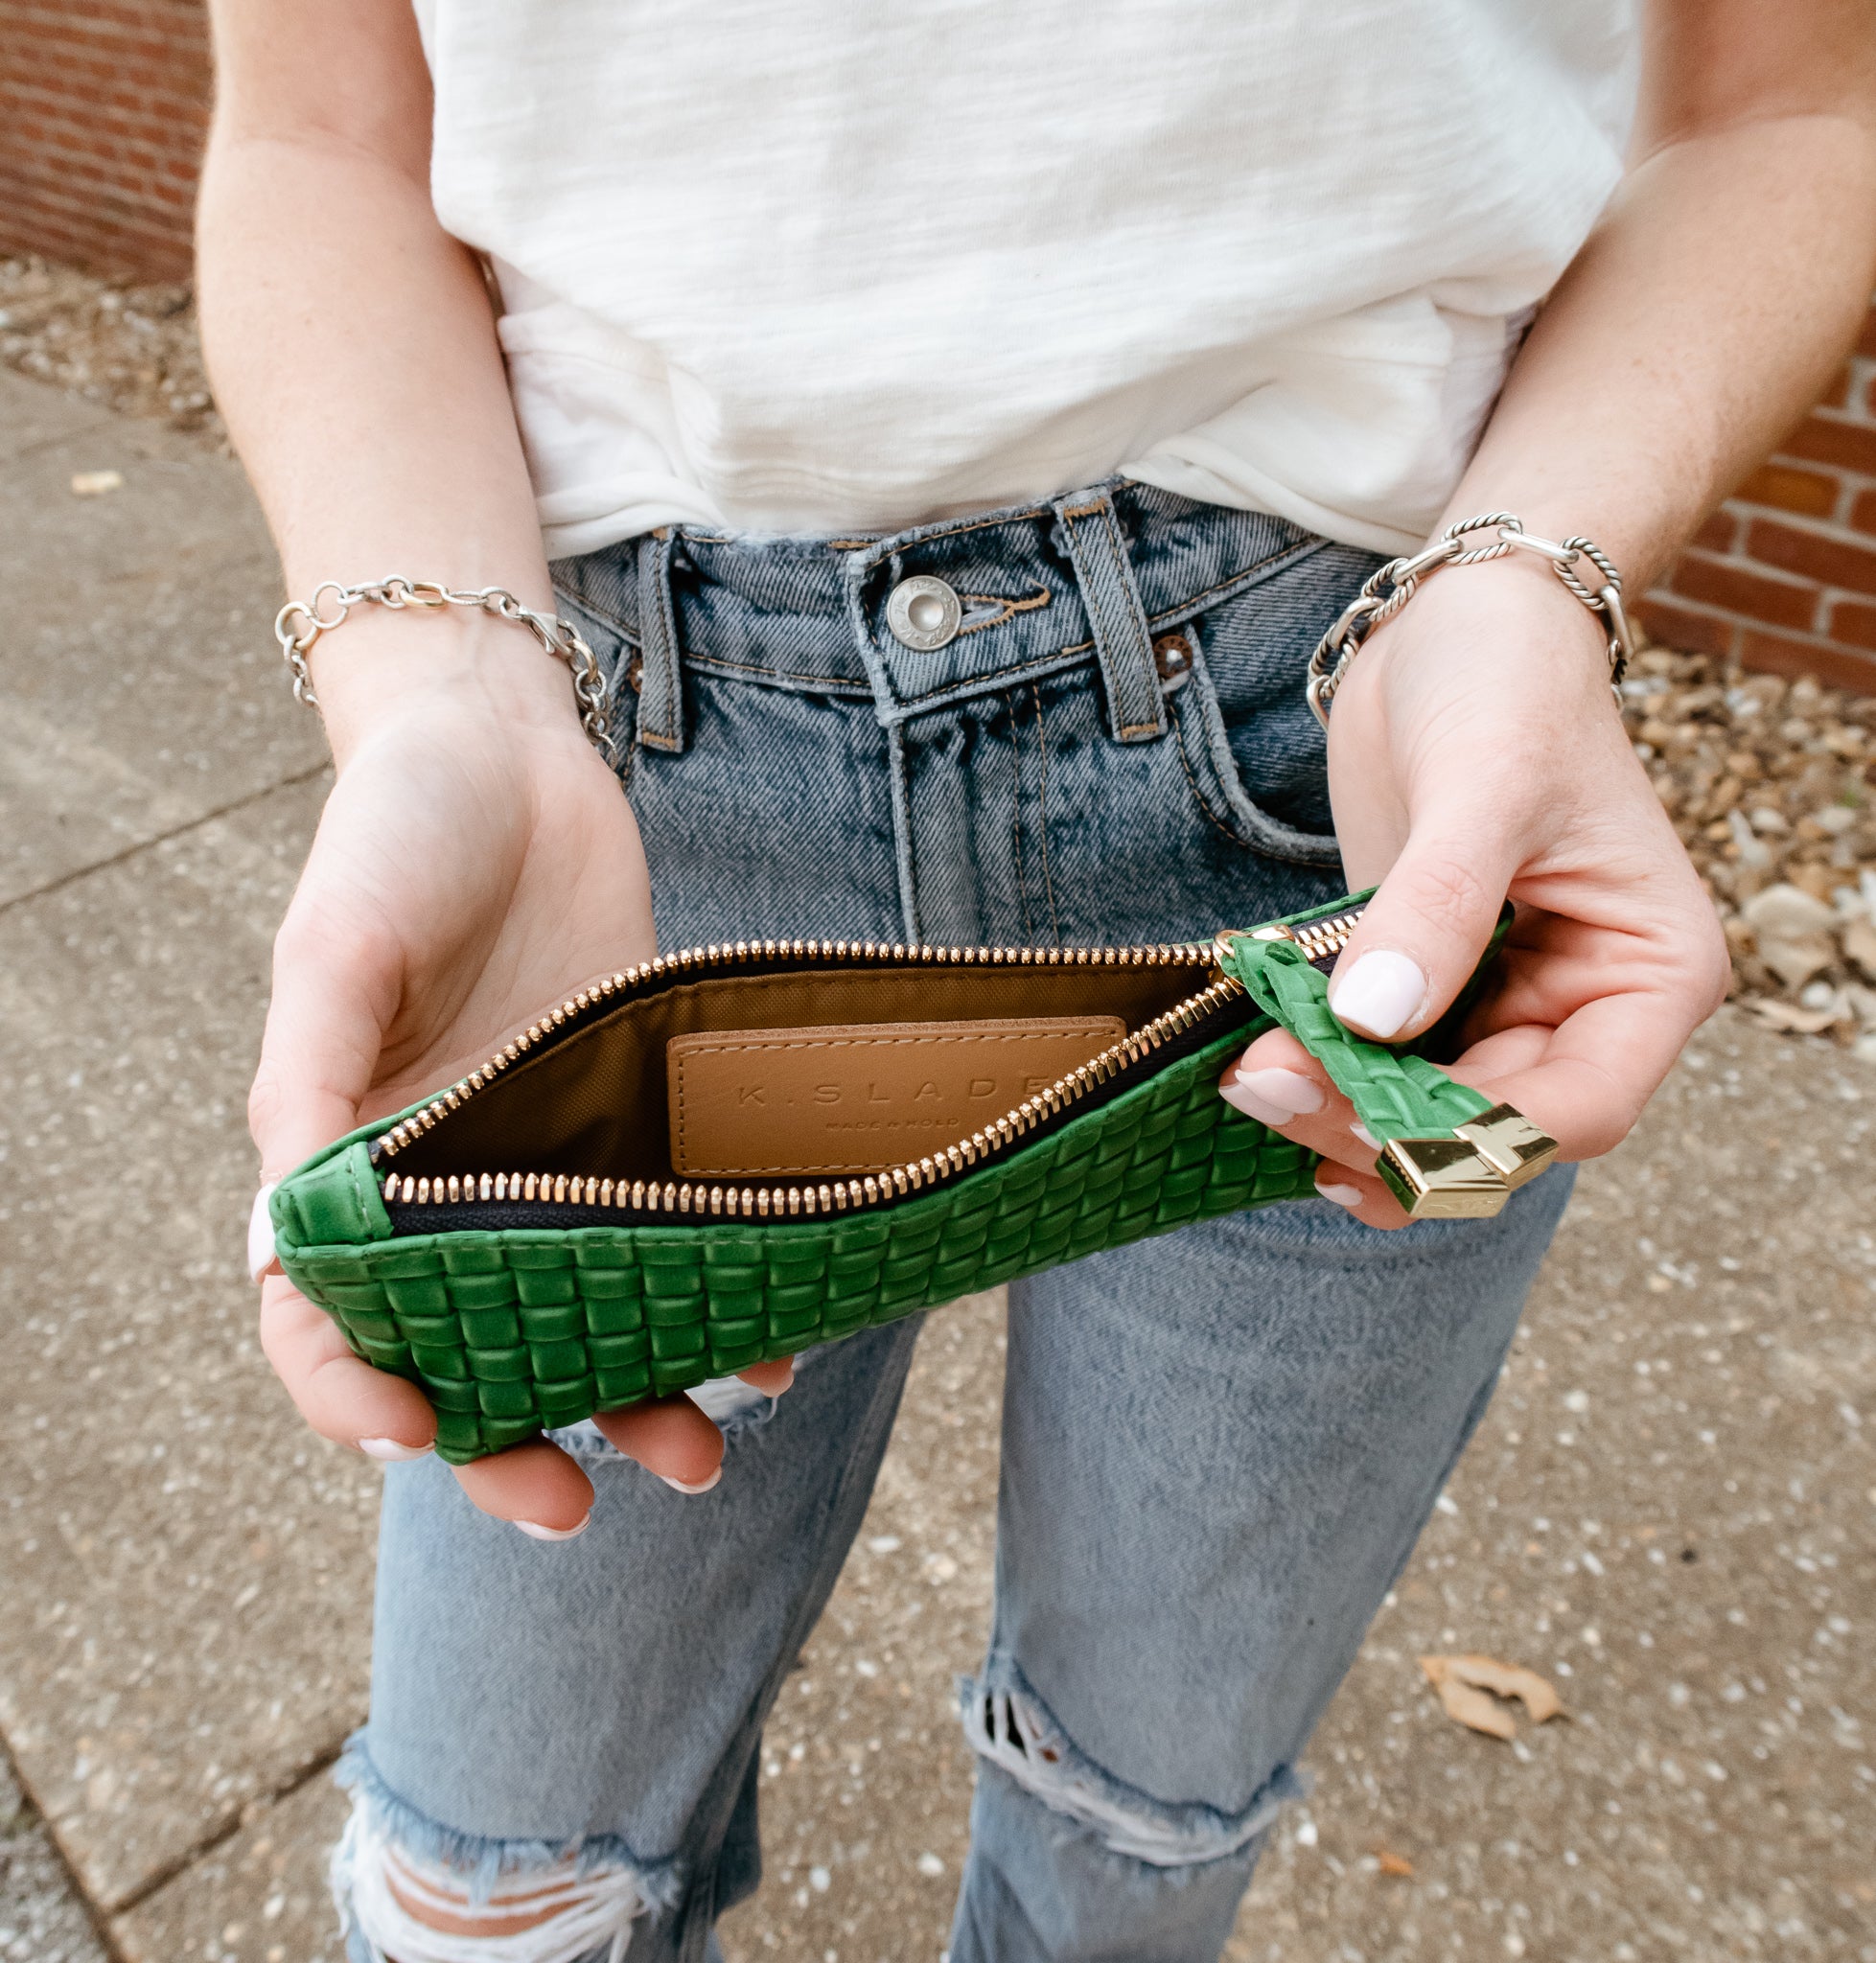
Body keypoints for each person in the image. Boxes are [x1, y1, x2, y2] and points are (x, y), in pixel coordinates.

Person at [197, 1, 1875, 1956]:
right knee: (485, 1878)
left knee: (1140, 1806)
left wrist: (1526, 575)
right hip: (632, 813)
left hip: (1351, 778)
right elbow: (320, 134)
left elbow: (1784, 103)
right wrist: (443, 693)